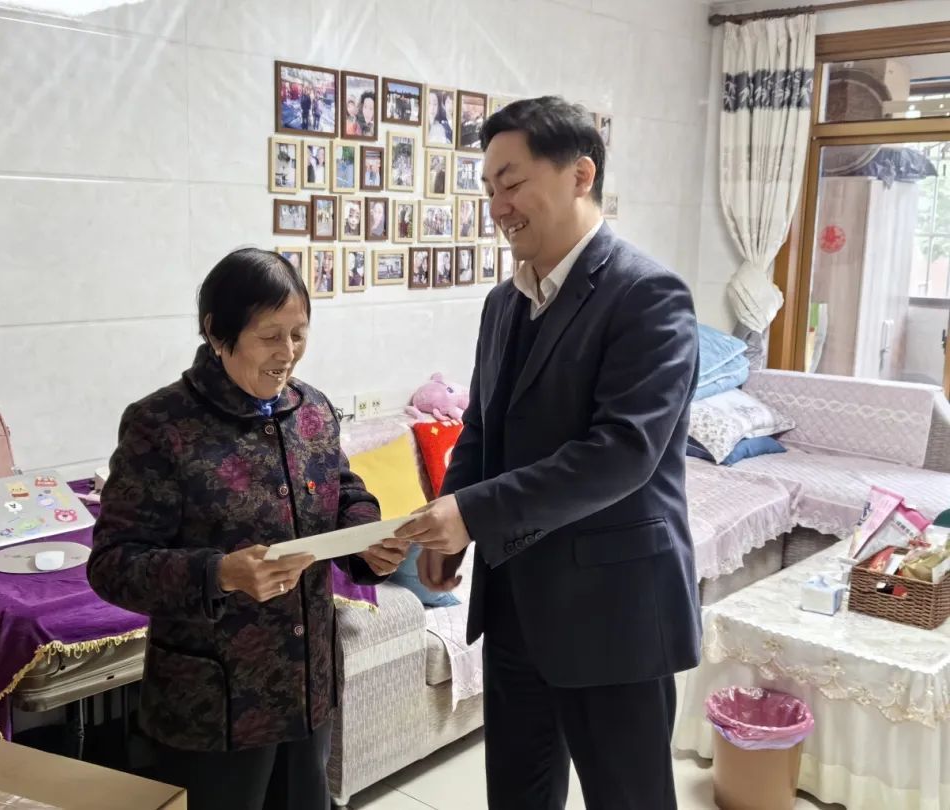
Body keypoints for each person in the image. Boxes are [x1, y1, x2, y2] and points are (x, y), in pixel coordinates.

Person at [394, 97, 700, 810]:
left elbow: (621, 452)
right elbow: (482, 429)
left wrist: (473, 514)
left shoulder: (647, 295)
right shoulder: (503, 304)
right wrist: (451, 525)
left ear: (580, 175)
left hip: (612, 609)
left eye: (512, 182)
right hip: (514, 606)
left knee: (628, 800)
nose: (498, 206)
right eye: (489, 188)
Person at [89, 249, 409, 810]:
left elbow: (343, 492)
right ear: (218, 332)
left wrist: (367, 541)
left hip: (307, 687)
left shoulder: (312, 410)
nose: (287, 353)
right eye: (269, 336)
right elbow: (114, 563)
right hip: (213, 704)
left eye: (299, 334)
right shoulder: (162, 425)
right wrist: (220, 574)